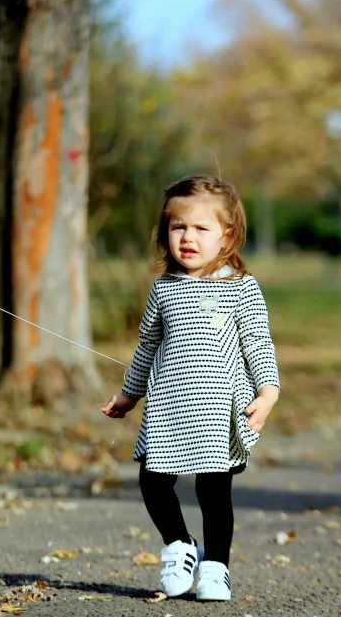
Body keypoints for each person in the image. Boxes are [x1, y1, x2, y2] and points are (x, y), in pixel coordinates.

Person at [102, 173, 280, 602]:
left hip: (219, 411)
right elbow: (147, 347)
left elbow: (258, 341)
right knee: (152, 481)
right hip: (167, 408)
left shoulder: (241, 288)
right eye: (178, 226)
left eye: (201, 228)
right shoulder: (163, 290)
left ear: (227, 235)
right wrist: (129, 394)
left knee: (213, 490)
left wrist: (268, 390)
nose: (188, 237)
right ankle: (180, 546)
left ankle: (216, 568)